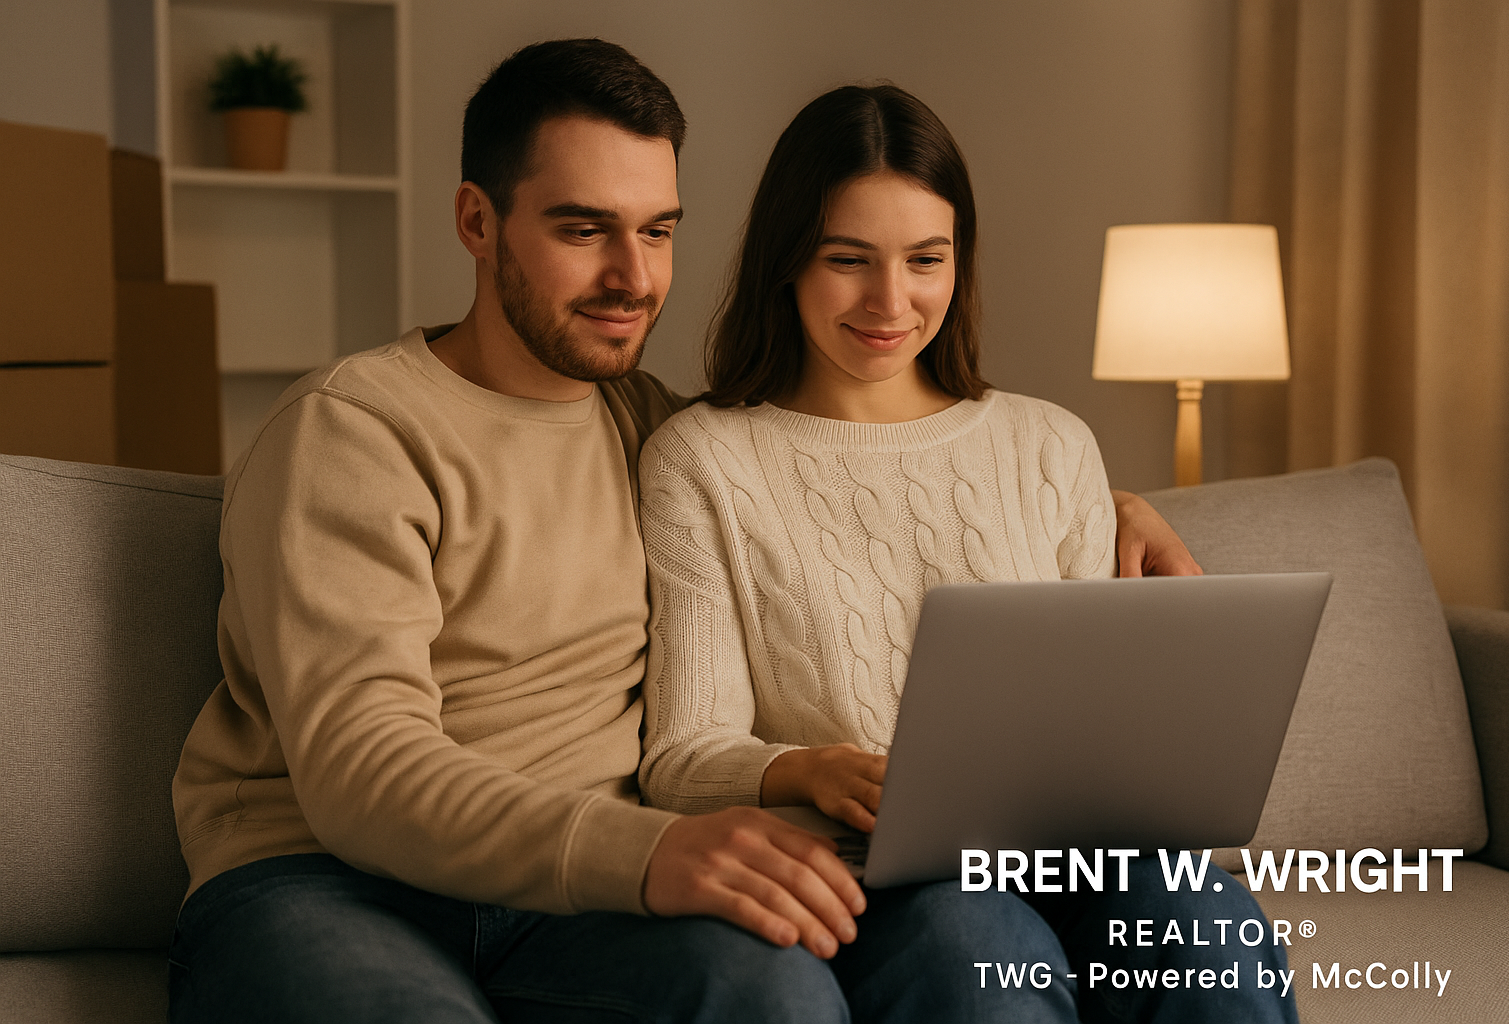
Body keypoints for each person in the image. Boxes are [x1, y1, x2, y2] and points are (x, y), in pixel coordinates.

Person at [167, 39, 1202, 1023]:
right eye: (583, 230)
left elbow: (822, 479)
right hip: (330, 880)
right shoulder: (351, 433)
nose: (633, 276)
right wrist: (649, 853)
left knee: (779, 996)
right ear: (477, 222)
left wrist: (1107, 506)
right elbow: (363, 770)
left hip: (576, 902)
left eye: (657, 229)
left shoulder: (650, 425)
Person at [637, 84, 1296, 1024]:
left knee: (1208, 935)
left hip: (1077, 853)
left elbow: (1104, 713)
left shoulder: (1049, 443)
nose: (890, 301)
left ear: (960, 262)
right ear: (787, 262)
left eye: (925, 260)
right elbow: (680, 754)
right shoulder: (702, 460)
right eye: (847, 260)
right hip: (880, 877)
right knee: (980, 955)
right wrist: (812, 768)